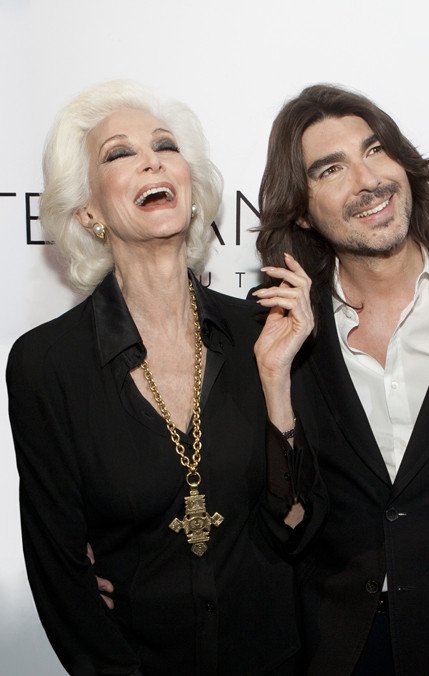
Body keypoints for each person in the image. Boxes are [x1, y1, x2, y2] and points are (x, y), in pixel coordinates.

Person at [6, 80, 315, 676]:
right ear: (89, 211)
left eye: (165, 146)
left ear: (191, 190)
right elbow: (60, 576)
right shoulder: (46, 364)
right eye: (119, 153)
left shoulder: (264, 330)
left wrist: (277, 383)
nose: (152, 160)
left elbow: (297, 529)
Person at [256, 83, 429, 675]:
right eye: (330, 169)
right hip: (333, 649)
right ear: (301, 210)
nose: (367, 180)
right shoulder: (277, 329)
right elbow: (272, 518)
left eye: (375, 150)